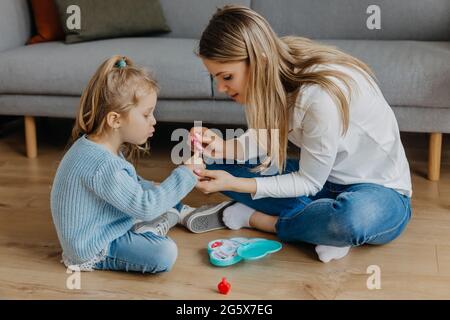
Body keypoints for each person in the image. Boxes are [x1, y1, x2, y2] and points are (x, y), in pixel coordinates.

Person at [186, 5, 412, 263]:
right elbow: (268, 137)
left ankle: (262, 220)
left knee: (350, 220)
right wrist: (222, 147)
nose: (222, 87)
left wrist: (234, 184)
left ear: (259, 60)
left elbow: (308, 182)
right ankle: (317, 227)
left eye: (227, 76)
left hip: (380, 193)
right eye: (216, 78)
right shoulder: (276, 72)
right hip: (322, 180)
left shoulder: (319, 98)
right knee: (210, 164)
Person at [50, 55, 211, 273]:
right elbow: (145, 206)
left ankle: (174, 212)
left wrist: (156, 187)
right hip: (94, 245)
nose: (154, 121)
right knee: (164, 253)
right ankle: (155, 225)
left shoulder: (96, 146)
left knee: (153, 190)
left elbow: (130, 183)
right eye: (147, 114)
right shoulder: (102, 165)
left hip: (102, 222)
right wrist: (186, 174)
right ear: (115, 120)